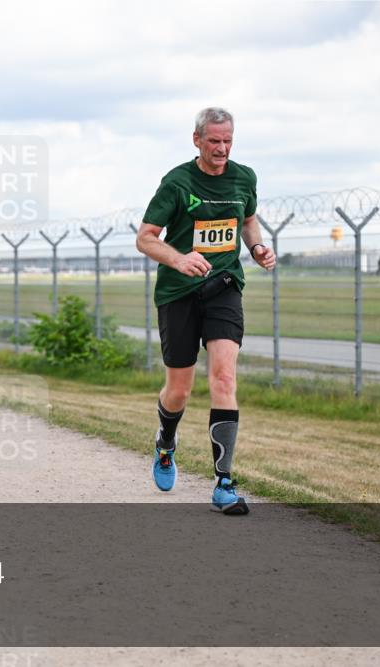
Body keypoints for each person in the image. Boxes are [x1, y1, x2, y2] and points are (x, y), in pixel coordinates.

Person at [135, 107, 277, 515]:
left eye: (228, 140)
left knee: (224, 376)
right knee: (179, 389)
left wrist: (257, 247)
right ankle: (165, 443)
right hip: (179, 291)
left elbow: (247, 221)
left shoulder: (244, 177)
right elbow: (146, 239)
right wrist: (179, 259)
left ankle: (224, 483)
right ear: (196, 139)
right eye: (214, 141)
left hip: (224, 286)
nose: (222, 148)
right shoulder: (177, 182)